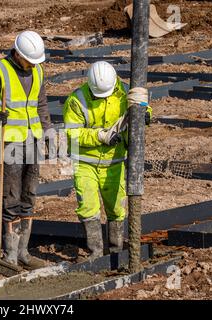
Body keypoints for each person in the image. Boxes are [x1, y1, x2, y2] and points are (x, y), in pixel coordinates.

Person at [0, 30, 52, 269]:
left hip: (33, 141)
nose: (32, 65)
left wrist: (47, 133)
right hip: (10, 144)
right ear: (17, 53)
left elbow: (42, 104)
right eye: (28, 60)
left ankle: (23, 251)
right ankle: (10, 253)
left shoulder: (37, 69)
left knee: (29, 195)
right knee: (11, 197)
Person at [63, 61, 152, 258]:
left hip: (114, 162)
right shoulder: (77, 100)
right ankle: (95, 252)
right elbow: (71, 133)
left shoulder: (124, 93)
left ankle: (116, 251)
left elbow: (142, 105)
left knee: (116, 208)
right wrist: (100, 136)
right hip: (85, 162)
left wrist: (145, 114)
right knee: (88, 207)